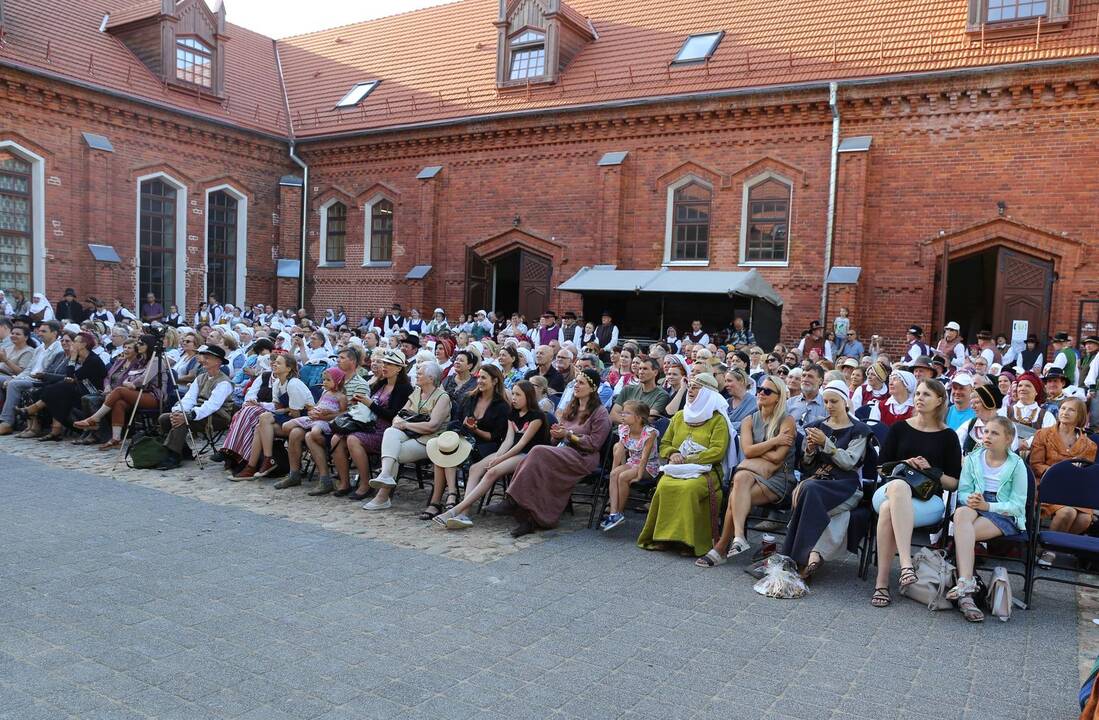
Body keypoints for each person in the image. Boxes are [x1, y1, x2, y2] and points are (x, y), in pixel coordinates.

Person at [870, 379, 962, 608]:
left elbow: (953, 483)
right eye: (918, 393)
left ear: (940, 400)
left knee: (887, 511)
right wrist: (904, 463)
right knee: (898, 489)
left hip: (927, 500)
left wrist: (930, 470)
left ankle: (882, 584)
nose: (919, 397)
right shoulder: (900, 427)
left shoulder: (949, 436)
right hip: (889, 489)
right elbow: (881, 468)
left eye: (927, 394)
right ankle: (905, 565)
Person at [488, 368, 611, 537]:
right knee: (536, 464)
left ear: (593, 388)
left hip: (583, 457)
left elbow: (594, 444)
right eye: (576, 382)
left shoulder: (600, 413)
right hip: (564, 451)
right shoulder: (572, 407)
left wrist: (568, 435)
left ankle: (512, 501)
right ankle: (528, 518)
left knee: (537, 451)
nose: (576, 385)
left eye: (581, 383)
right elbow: (559, 436)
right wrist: (556, 434)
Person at [774, 380, 871, 577]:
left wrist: (826, 443)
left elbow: (850, 462)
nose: (829, 406)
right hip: (818, 482)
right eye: (826, 401)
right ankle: (803, 559)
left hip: (845, 486)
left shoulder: (859, 430)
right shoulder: (816, 426)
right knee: (809, 489)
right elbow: (806, 464)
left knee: (808, 491)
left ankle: (793, 557)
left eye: (834, 401)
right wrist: (809, 450)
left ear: (845, 401)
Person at [699, 374, 796, 562]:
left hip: (779, 478)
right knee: (741, 479)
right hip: (752, 475)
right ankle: (737, 537)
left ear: (778, 396)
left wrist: (756, 451)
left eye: (767, 391)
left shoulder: (787, 421)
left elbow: (777, 458)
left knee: (736, 495)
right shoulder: (749, 420)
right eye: (759, 389)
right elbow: (747, 451)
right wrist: (774, 441)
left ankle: (722, 547)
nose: (761, 393)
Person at [637, 372, 733, 557]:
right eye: (690, 386)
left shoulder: (717, 420)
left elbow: (717, 451)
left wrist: (689, 459)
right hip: (678, 468)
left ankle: (688, 542)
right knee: (664, 485)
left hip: (708, 472)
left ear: (707, 393)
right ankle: (664, 539)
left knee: (689, 488)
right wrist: (672, 454)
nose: (690, 390)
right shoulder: (680, 416)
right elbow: (664, 444)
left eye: (696, 387)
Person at [434, 380, 549, 528]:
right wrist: (497, 456)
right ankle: (464, 514)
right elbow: (508, 440)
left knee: (492, 471)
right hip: (511, 452)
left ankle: (456, 510)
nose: (513, 398)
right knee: (475, 468)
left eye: (518, 395)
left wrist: (500, 459)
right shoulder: (513, 414)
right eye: (513, 393)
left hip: (529, 455)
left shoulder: (536, 416)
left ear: (528, 396)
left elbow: (522, 444)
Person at [947, 417, 1028, 622]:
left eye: (994, 433)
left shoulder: (1017, 464)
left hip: (1002, 511)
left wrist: (988, 506)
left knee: (963, 532)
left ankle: (966, 594)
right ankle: (967, 582)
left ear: (1008, 439)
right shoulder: (974, 458)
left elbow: (1018, 505)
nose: (987, 437)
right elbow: (963, 491)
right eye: (986, 432)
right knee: (961, 514)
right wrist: (972, 498)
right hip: (976, 503)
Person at [359, 361, 451, 508]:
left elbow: (432, 426)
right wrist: (397, 421)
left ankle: (383, 495)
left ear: (431, 378)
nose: (416, 375)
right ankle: (386, 477)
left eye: (420, 373)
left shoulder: (442, 397)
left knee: (393, 453)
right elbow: (399, 414)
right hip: (410, 434)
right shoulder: (417, 392)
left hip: (429, 439)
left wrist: (405, 424)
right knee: (390, 431)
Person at [336, 348, 414, 501]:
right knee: (337, 438)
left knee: (352, 439)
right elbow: (371, 406)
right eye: (384, 363)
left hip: (387, 432)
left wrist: (370, 404)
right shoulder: (381, 384)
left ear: (399, 368)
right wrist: (361, 402)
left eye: (389, 364)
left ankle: (365, 484)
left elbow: (393, 415)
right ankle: (344, 482)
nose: (384, 367)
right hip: (369, 425)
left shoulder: (404, 389)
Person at [1029, 397, 1097, 566]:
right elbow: (1036, 465)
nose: (1065, 412)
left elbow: (1086, 474)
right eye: (1063, 408)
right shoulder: (1043, 434)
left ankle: (1048, 549)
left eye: (1071, 410)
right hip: (1047, 485)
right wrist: (1060, 474)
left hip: (1074, 489)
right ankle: (1048, 550)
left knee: (1084, 520)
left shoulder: (1089, 445)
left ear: (1079, 415)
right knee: (1068, 512)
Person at [73, 334, 172, 448]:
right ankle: (116, 439)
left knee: (119, 391)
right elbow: (129, 376)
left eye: (141, 344)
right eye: (138, 343)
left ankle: (95, 418)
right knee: (119, 403)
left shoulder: (156, 360)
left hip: (154, 396)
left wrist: (131, 384)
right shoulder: (141, 361)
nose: (138, 345)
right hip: (140, 393)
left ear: (148, 346)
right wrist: (128, 383)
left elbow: (143, 379)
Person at [229, 353, 314, 483]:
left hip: (303, 420)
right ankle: (252, 467)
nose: (274, 364)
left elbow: (296, 414)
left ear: (289, 368)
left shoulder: (293, 384)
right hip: (289, 417)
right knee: (260, 426)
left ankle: (267, 460)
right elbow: (278, 408)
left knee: (264, 418)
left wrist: (286, 411)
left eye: (279, 363)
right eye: (274, 362)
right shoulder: (277, 384)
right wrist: (286, 410)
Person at [156, 344, 235, 470]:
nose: (203, 360)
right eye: (204, 357)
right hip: (199, 412)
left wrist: (189, 415)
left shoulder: (224, 382)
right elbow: (189, 398)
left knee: (183, 420)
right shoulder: (200, 377)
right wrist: (178, 411)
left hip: (217, 417)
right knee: (165, 418)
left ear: (218, 362)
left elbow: (212, 406)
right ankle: (184, 451)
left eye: (208, 357)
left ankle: (173, 456)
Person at [19, 332, 106, 441]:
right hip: (79, 388)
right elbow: (70, 377)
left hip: (93, 391)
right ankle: (55, 430)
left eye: (75, 341)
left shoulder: (93, 360)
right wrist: (74, 359)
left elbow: (72, 377)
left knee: (61, 389)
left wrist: (73, 358)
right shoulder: (81, 357)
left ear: (84, 344)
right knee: (58, 392)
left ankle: (35, 411)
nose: (73, 344)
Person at [281, 367, 349, 492]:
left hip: (328, 425)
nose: (324, 382)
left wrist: (327, 415)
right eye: (324, 380)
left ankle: (325, 477)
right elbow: (316, 406)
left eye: (328, 380)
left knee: (311, 435)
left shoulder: (341, 396)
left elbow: (344, 413)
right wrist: (312, 412)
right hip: (314, 420)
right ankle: (294, 474)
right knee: (293, 431)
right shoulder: (325, 393)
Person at [600, 400, 660, 532]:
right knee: (615, 474)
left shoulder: (650, 433)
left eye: (627, 413)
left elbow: (645, 456)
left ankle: (620, 512)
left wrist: (639, 475)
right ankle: (613, 513)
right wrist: (614, 469)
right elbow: (619, 450)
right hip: (632, 462)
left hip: (648, 466)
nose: (622, 415)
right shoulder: (624, 429)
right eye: (623, 412)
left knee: (623, 476)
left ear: (638, 418)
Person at [0, 320, 66, 436]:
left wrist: (15, 380)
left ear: (54, 333)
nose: (39, 333)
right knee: (12, 382)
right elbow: (28, 369)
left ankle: (7, 422)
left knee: (13, 385)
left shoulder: (58, 349)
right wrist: (15, 378)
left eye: (44, 331)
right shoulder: (40, 348)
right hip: (30, 378)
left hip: (41, 380)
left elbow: (50, 371)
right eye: (39, 331)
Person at [1006, 370, 1056, 450]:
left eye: (1028, 386)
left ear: (1036, 391)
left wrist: (1028, 443)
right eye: (1020, 385)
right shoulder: (1006, 411)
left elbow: (1049, 437)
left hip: (1035, 458)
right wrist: (1016, 443)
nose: (1022, 388)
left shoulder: (1046, 416)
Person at [610, 356, 669, 423]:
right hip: (618, 432)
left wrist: (625, 419)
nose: (641, 372)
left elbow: (648, 419)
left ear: (655, 372)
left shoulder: (661, 395)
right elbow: (613, 415)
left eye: (645, 369)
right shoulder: (627, 389)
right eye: (640, 369)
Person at [787, 363, 828, 431]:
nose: (805, 379)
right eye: (803, 376)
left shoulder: (827, 405)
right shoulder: (790, 403)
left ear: (820, 381)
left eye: (810, 376)